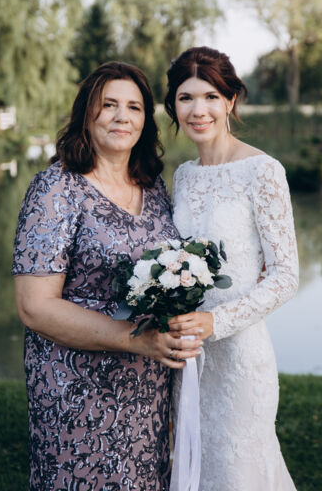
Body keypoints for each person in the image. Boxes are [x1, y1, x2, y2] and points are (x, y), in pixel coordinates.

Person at [12, 61, 203, 491]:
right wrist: (135, 339)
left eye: (134, 107)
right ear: (87, 113)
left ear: (146, 119)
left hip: (148, 388)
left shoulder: (152, 186)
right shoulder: (56, 188)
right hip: (76, 389)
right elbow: (34, 307)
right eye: (109, 105)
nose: (122, 117)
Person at [165, 46, 299, 491]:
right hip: (187, 359)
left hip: (240, 358)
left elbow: (285, 275)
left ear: (230, 101)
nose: (198, 110)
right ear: (173, 106)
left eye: (210, 97)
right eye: (186, 98)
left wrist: (215, 322)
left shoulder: (263, 171)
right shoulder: (183, 176)